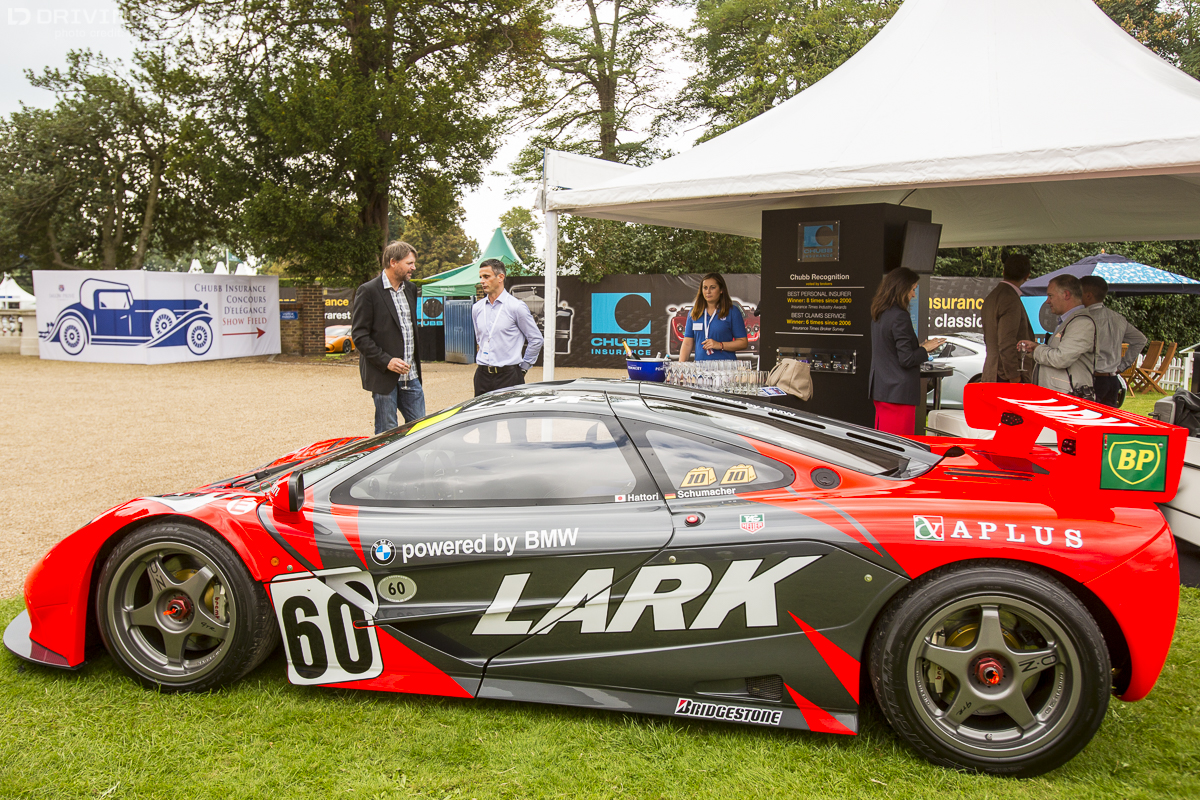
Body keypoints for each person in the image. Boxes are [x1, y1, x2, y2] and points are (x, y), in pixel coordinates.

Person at [351, 240, 425, 434]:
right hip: (384, 376)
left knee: (422, 431)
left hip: (412, 376)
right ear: (393, 262)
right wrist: (387, 361)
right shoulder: (368, 291)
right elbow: (359, 336)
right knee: (387, 435)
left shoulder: (410, 289)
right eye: (409, 263)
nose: (413, 267)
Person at [869, 267, 946, 436]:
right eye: (913, 289)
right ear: (902, 288)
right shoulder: (900, 316)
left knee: (884, 443)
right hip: (898, 394)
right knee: (899, 446)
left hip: (883, 390)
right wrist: (925, 349)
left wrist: (920, 348)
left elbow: (891, 352)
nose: (914, 295)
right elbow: (906, 359)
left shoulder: (880, 314)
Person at [472, 259, 544, 397]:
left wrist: (522, 369)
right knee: (482, 418)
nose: (482, 281)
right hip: (482, 376)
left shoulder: (516, 307)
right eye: (480, 277)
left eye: (486, 277)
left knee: (514, 419)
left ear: (500, 277)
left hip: (509, 377)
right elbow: (480, 339)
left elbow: (536, 339)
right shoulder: (477, 308)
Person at [1017, 275, 1097, 397]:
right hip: (1061, 397)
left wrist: (1037, 349)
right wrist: (1035, 349)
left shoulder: (1082, 323)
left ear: (1066, 295)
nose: (1047, 301)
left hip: (1069, 399)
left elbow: (1061, 359)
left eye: (1050, 296)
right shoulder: (1069, 321)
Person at [1081, 275, 1147, 408]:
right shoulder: (1118, 318)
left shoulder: (1084, 318)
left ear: (1088, 295)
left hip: (1092, 379)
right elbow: (1140, 339)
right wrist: (1121, 366)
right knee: (1108, 423)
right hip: (1112, 379)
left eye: (1078, 292)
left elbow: (1140, 339)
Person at [981, 254, 1035, 383]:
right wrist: (1014, 375)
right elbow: (1006, 341)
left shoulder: (991, 297)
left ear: (1004, 272)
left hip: (992, 371)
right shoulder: (1010, 299)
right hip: (1005, 375)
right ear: (1027, 275)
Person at [678, 273, 748, 362]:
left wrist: (720, 345)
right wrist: (680, 367)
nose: (708, 291)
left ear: (721, 290)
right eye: (705, 288)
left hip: (725, 370)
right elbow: (687, 343)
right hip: (701, 370)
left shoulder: (732, 311)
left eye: (713, 287)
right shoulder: (694, 312)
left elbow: (743, 342)